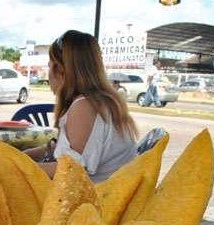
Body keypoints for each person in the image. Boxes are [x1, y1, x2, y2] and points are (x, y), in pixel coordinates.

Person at [24, 30, 138, 182]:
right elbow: (66, 150)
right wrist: (23, 156)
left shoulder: (84, 107)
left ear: (60, 69)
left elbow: (72, 170)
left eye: (49, 65)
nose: (48, 74)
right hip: (109, 194)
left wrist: (18, 167)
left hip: (99, 201)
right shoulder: (101, 101)